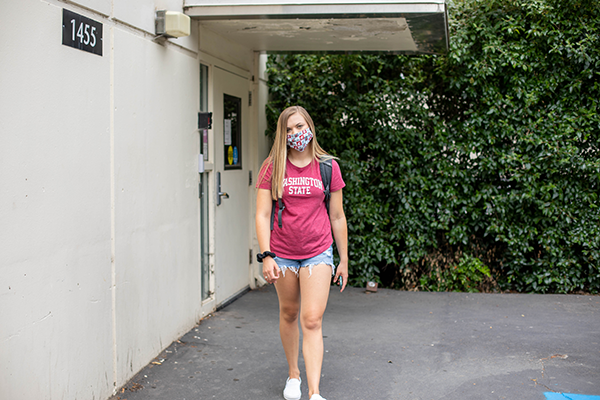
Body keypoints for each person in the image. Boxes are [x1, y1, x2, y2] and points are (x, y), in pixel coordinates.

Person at [255, 105, 348, 400]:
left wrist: (343, 258)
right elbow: (261, 214)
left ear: (310, 126)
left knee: (311, 319)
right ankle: (293, 375)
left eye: (300, 126)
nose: (296, 133)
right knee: (289, 312)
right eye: (289, 129)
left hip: (318, 251)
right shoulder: (272, 167)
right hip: (282, 252)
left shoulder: (328, 166)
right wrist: (266, 254)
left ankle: (314, 392)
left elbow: (337, 216)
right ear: (282, 135)